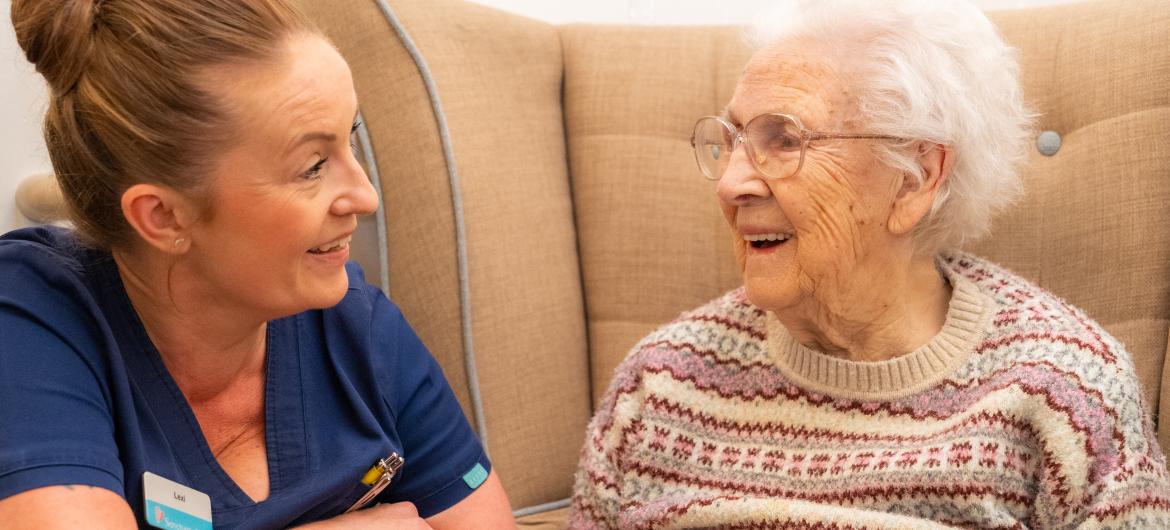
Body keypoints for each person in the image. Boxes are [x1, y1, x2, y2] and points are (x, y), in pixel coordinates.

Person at [569, 0, 1170, 528]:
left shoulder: (1064, 394)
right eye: (733, 140)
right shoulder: (660, 386)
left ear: (914, 178)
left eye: (784, 139)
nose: (730, 183)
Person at [0, 1, 516, 528]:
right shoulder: (30, 318)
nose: (365, 196)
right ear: (163, 216)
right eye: (313, 166)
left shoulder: (359, 329)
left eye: (350, 139)